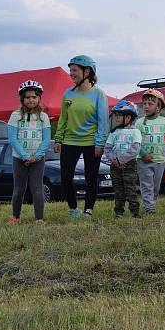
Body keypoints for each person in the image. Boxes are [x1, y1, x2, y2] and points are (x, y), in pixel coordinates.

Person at [54, 55, 109, 219]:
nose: (71, 73)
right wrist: (58, 139)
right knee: (65, 178)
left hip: (91, 142)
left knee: (90, 178)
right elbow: (63, 118)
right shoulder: (68, 94)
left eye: (74, 70)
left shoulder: (99, 94)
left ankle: (88, 210)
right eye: (70, 70)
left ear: (87, 71)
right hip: (70, 141)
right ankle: (73, 208)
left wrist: (99, 144)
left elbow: (103, 122)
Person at [6, 80, 51, 225]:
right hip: (19, 158)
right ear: (22, 99)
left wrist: (37, 156)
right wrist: (25, 156)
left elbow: (46, 139)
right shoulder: (15, 115)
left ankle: (39, 218)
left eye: (34, 97)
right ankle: (15, 216)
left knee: (37, 188)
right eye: (27, 97)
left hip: (38, 158)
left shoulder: (43, 117)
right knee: (19, 189)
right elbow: (12, 138)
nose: (31, 100)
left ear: (39, 98)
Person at [135, 89, 165, 214]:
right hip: (143, 161)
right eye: (144, 103)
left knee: (156, 187)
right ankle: (149, 208)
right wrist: (143, 153)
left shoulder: (163, 121)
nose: (146, 106)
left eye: (150, 104)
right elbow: (135, 142)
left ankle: (152, 203)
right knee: (146, 185)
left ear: (158, 107)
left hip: (160, 161)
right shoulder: (139, 123)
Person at [103, 100, 143, 218]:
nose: (116, 118)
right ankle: (119, 212)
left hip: (129, 165)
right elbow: (108, 149)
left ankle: (135, 212)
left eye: (119, 115)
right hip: (115, 165)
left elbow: (135, 149)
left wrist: (121, 160)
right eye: (115, 115)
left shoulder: (135, 132)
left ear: (129, 117)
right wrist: (114, 160)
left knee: (130, 189)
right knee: (118, 190)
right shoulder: (113, 132)